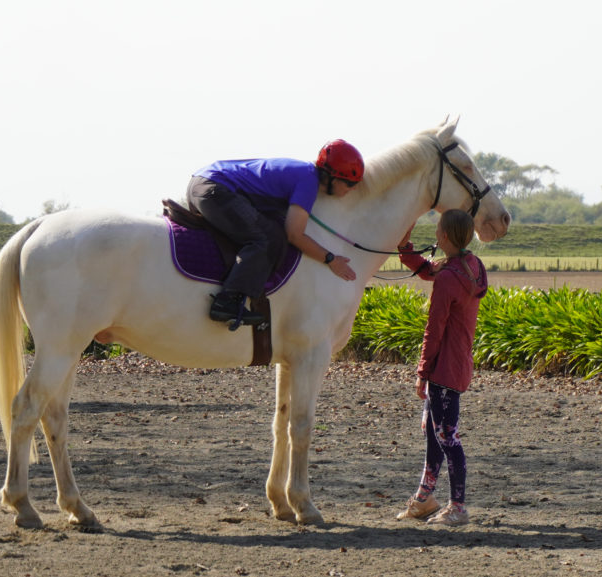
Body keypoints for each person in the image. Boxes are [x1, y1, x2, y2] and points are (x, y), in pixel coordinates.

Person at [188, 139, 362, 327]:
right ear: (332, 178)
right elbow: (294, 235)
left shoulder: (303, 173)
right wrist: (330, 259)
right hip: (213, 188)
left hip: (201, 184)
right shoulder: (308, 181)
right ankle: (227, 302)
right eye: (349, 183)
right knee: (267, 238)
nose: (352, 189)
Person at [394, 209, 488, 526]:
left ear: (443, 236)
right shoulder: (470, 266)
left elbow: (433, 330)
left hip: (444, 370)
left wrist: (422, 371)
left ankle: (458, 507)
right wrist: (405, 251)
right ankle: (424, 498)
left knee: (447, 437)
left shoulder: (449, 278)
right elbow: (428, 269)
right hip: (457, 364)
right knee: (433, 432)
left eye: (437, 230)